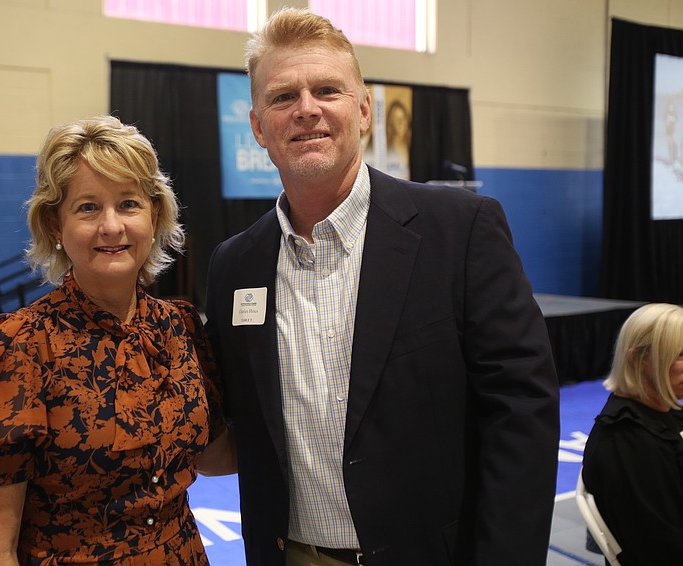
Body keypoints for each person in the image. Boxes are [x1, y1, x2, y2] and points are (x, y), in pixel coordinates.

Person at [203, 8, 560, 566]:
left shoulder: (460, 230)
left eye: (327, 90)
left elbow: (521, 410)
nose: (307, 110)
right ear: (257, 126)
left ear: (365, 109)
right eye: (282, 97)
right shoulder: (233, 266)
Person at [0, 115, 234, 564]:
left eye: (129, 203)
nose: (111, 226)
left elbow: (213, 457)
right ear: (56, 226)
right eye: (88, 207)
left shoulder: (180, 329)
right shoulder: (18, 347)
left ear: (155, 216)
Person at [581, 303, 683, 565]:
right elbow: (662, 547)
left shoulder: (657, 411)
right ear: (638, 359)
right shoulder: (630, 440)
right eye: (680, 355)